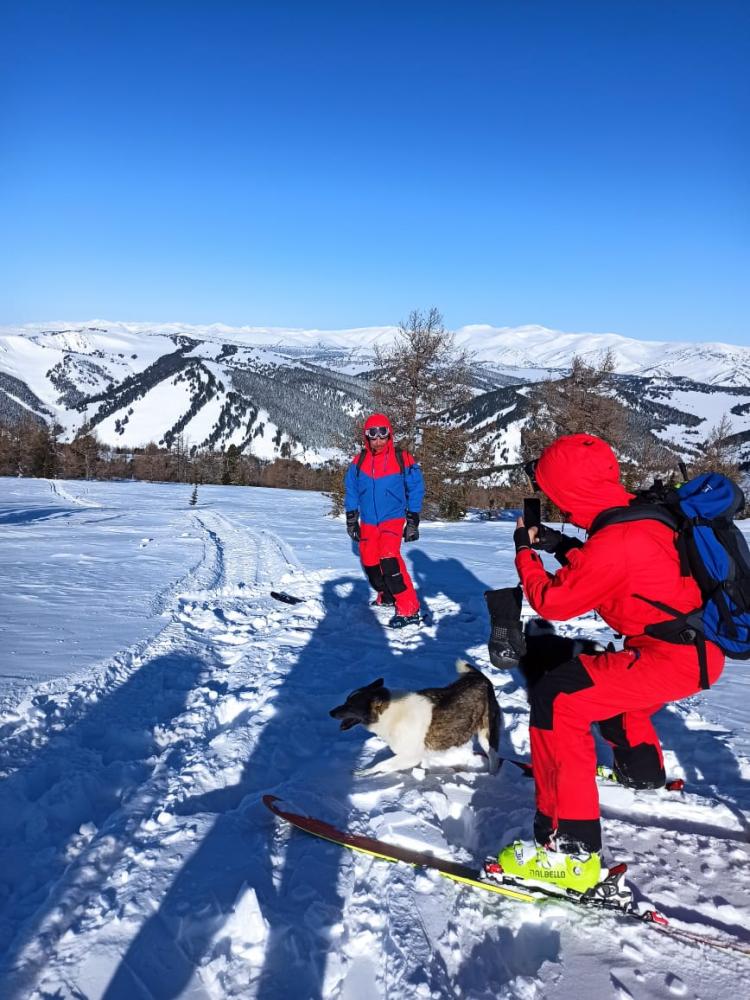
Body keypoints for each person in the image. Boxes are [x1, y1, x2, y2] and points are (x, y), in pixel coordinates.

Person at [496, 433, 725, 892]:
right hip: (689, 650)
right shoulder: (639, 513)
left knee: (559, 697)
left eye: (553, 490)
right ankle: (641, 772)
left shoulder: (617, 539)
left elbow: (554, 602)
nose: (554, 502)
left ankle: (571, 851)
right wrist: (559, 544)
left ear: (569, 489)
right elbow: (612, 568)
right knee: (606, 688)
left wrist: (525, 553)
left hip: (671, 657)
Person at [344, 413, 424, 628]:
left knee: (389, 558)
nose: (378, 440)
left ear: (389, 435)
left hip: (392, 519)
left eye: (383, 434)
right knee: (369, 561)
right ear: (367, 437)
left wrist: (413, 519)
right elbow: (351, 489)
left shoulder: (402, 458)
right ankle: (387, 595)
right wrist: (351, 518)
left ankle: (409, 609)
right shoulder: (359, 461)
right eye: (373, 435)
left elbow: (416, 487)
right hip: (369, 521)